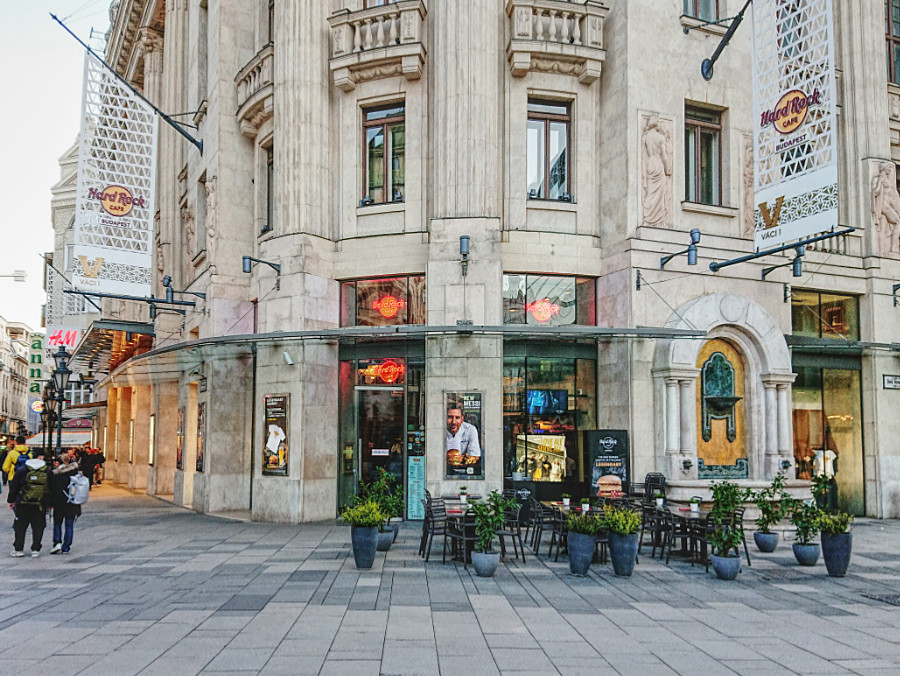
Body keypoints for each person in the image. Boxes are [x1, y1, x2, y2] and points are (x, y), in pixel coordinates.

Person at [7, 448, 51, 557]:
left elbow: (14, 486)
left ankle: (19, 549)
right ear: (41, 457)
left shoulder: (22, 470)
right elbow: (51, 488)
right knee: (38, 527)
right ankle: (35, 549)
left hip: (23, 503)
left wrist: (11, 500)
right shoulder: (47, 471)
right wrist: (50, 503)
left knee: (20, 527)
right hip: (40, 504)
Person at [49, 451, 81, 555]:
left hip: (59, 503)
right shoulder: (75, 473)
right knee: (69, 524)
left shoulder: (56, 474)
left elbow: (52, 490)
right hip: (72, 503)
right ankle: (66, 547)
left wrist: (50, 503)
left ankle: (57, 542)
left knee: (57, 523)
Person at [445, 403, 481, 471]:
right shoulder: (438, 430)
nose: (454, 422)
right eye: (450, 417)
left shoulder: (469, 430)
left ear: (462, 419)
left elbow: (474, 456)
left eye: (457, 418)